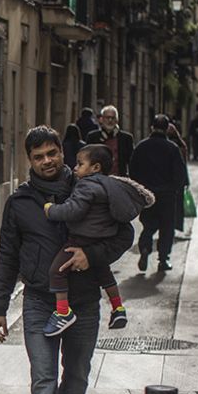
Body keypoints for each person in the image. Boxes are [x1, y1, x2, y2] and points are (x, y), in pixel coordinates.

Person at [0, 126, 134, 394]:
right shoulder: (20, 202)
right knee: (43, 376)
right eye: (38, 157)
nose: (47, 161)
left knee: (78, 375)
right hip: (39, 300)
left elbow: (126, 233)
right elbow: (7, 255)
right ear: (29, 160)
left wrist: (92, 256)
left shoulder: (88, 187)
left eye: (51, 153)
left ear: (62, 153)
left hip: (83, 301)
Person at [43, 143, 153, 336]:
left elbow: (73, 210)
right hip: (101, 240)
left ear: (95, 168)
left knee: (57, 271)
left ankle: (63, 312)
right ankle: (118, 308)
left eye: (80, 164)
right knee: (104, 273)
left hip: (81, 239)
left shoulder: (87, 185)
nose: (75, 167)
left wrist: (51, 210)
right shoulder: (111, 185)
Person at [130, 114, 189, 272]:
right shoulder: (172, 148)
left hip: (147, 194)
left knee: (148, 225)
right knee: (166, 227)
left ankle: (144, 248)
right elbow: (180, 173)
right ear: (167, 129)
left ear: (152, 127)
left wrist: (139, 189)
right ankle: (163, 259)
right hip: (167, 195)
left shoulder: (141, 146)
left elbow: (133, 169)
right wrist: (174, 188)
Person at [85, 105, 135, 175]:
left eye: (113, 118)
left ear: (117, 120)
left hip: (119, 179)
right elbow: (87, 159)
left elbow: (132, 162)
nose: (110, 120)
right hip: (97, 179)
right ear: (101, 119)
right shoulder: (92, 137)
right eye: (107, 117)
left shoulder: (126, 138)